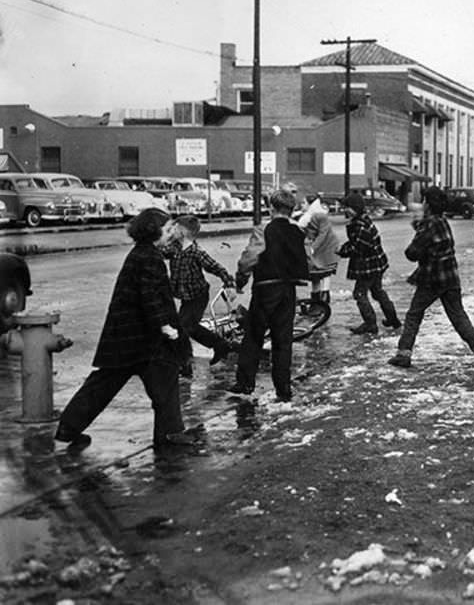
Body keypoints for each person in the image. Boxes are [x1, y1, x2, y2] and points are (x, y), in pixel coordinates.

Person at [54, 208, 195, 451]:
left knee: (103, 383)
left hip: (126, 336)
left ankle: (69, 427)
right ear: (154, 230)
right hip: (144, 337)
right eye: (168, 229)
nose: (171, 233)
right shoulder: (150, 257)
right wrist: (165, 326)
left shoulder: (141, 253)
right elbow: (149, 296)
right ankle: (169, 433)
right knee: (165, 377)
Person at [387, 186, 474, 373]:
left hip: (433, 279)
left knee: (414, 314)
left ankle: (404, 353)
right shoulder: (443, 221)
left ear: (428, 204)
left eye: (425, 201)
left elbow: (412, 253)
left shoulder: (429, 225)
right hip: (451, 277)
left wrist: (418, 229)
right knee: (458, 316)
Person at [228, 189, 309, 402]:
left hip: (266, 288)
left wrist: (241, 279)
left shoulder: (264, 229)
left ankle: (245, 382)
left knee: (254, 335)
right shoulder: (298, 232)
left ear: (271, 208)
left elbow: (249, 258)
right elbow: (307, 261)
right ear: (292, 210)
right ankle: (283, 389)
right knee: (283, 340)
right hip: (288, 290)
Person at [161, 215, 239, 369]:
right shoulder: (174, 248)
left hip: (198, 296)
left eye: (174, 228)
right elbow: (159, 252)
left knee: (184, 327)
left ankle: (185, 362)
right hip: (186, 297)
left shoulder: (196, 252)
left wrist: (229, 284)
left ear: (182, 231)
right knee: (187, 327)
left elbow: (217, 268)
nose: (172, 231)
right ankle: (220, 345)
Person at [338, 191, 401, 335]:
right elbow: (358, 243)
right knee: (378, 292)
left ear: (355, 208)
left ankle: (370, 324)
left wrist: (342, 250)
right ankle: (393, 319)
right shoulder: (362, 222)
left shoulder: (361, 226)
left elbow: (358, 248)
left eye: (347, 207)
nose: (345, 210)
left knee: (360, 294)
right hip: (377, 264)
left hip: (368, 267)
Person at [296, 191, 340, 312]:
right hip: (318, 248)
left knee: (324, 273)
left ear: (311, 204)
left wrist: (312, 247)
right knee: (315, 274)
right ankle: (316, 303)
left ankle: (322, 302)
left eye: (304, 203)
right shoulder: (306, 216)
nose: (302, 205)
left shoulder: (320, 216)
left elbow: (323, 234)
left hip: (327, 248)